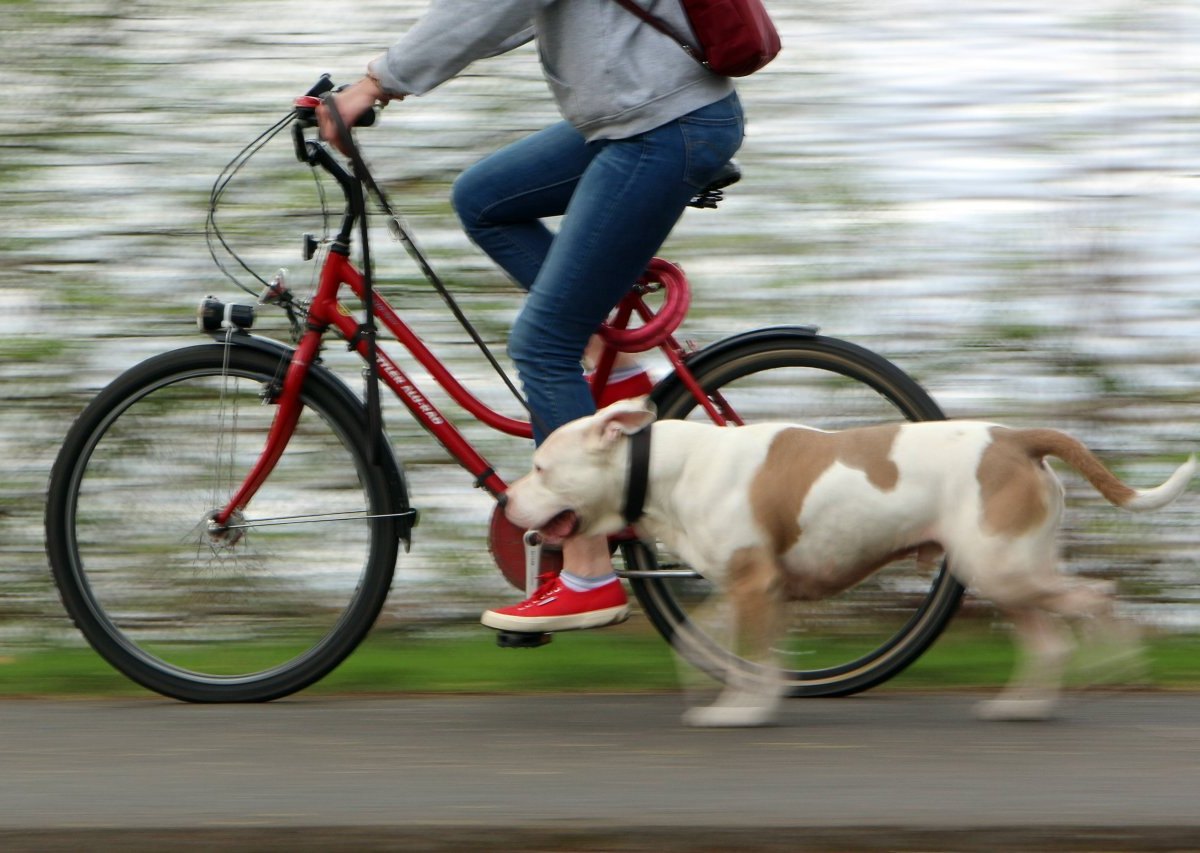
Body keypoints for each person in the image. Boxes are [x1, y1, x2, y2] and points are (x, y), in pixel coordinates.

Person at [320, 0, 744, 634]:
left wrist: (379, 81)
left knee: (544, 343)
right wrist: (408, 76)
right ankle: (618, 369)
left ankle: (588, 571)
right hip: (641, 112)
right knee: (485, 198)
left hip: (661, 123)